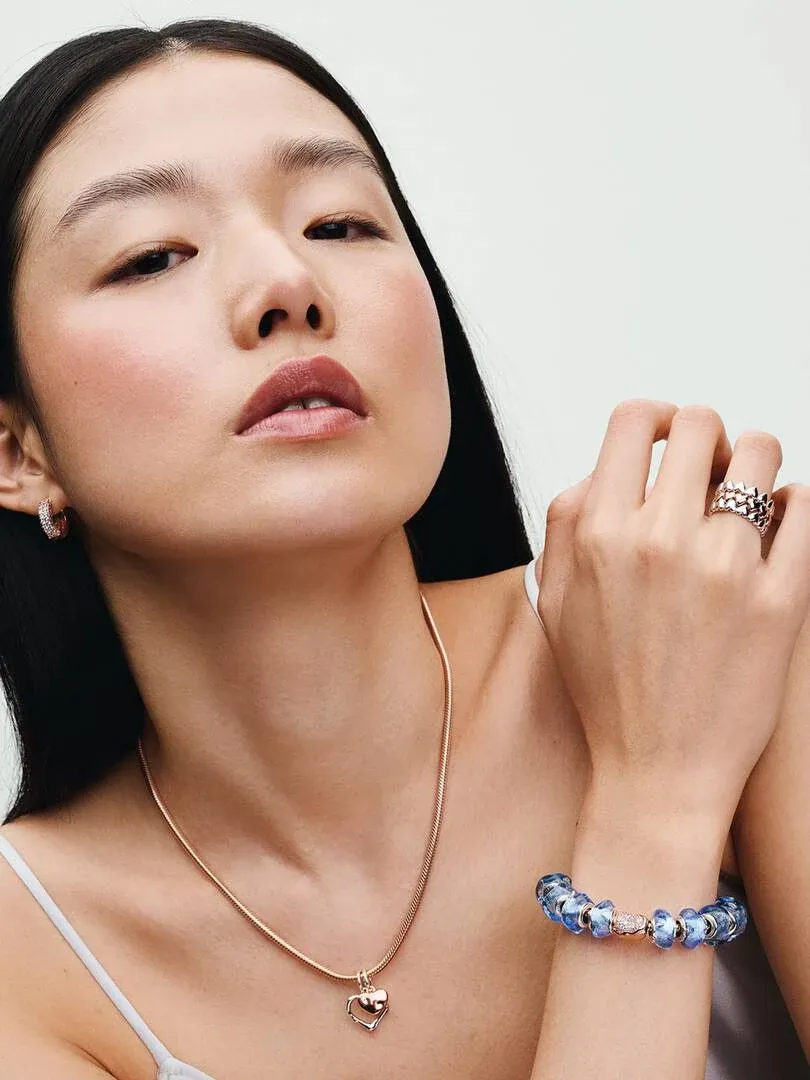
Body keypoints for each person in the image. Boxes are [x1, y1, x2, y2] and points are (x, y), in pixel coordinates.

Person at [0, 17, 807, 1079]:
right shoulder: (33, 965)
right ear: (17, 453)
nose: (287, 284)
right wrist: (654, 810)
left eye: (340, 224)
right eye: (152, 255)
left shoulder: (713, 635)